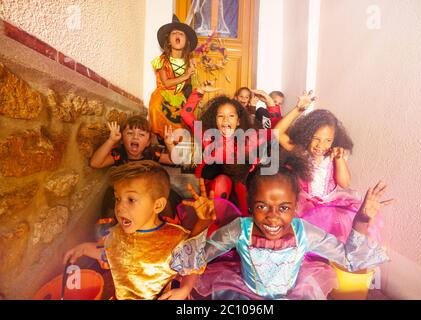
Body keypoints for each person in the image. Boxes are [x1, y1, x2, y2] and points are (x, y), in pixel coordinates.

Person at [170, 160, 393, 300]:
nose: (273, 216)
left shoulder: (304, 232)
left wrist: (361, 220)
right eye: (262, 206)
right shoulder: (239, 229)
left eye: (284, 207)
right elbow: (196, 258)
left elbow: (349, 258)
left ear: (296, 206)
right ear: (249, 205)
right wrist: (201, 223)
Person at [63, 161, 214, 300]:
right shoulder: (117, 232)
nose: (120, 207)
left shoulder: (174, 238)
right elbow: (111, 255)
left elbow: (192, 263)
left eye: (131, 199)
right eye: (117, 199)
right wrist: (83, 249)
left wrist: (185, 289)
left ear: (157, 206)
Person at [274, 91, 380, 242]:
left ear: (334, 140)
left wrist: (339, 159)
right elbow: (277, 133)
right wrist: (298, 109)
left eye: (327, 140)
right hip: (303, 204)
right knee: (301, 238)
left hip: (331, 205)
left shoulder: (333, 156)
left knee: (332, 236)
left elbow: (344, 183)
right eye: (315, 139)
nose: (320, 145)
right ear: (306, 135)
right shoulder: (301, 152)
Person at [181, 86, 280, 216]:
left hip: (240, 188)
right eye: (220, 116)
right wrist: (199, 92)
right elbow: (186, 114)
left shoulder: (249, 139)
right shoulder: (208, 136)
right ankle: (216, 221)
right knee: (223, 181)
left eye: (231, 116)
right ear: (215, 120)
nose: (226, 120)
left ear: (238, 121)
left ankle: (244, 221)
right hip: (215, 190)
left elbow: (275, 131)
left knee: (241, 185)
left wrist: (270, 103)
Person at [89, 115, 180, 221]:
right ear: (122, 139)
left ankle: (167, 225)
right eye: (130, 133)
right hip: (125, 193)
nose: (135, 137)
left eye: (141, 134)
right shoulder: (119, 154)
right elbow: (95, 163)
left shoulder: (152, 153)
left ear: (148, 142)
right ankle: (108, 229)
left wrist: (169, 144)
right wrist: (111, 141)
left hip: (148, 192)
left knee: (165, 197)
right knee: (111, 196)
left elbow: (175, 160)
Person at [148, 15, 198, 143]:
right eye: (174, 33)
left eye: (181, 34)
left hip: (179, 96)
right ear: (169, 41)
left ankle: (178, 143)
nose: (177, 35)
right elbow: (165, 82)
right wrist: (186, 75)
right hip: (163, 94)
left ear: (186, 41)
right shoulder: (162, 60)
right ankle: (155, 140)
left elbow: (193, 86)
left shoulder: (189, 62)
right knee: (155, 108)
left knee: (185, 118)